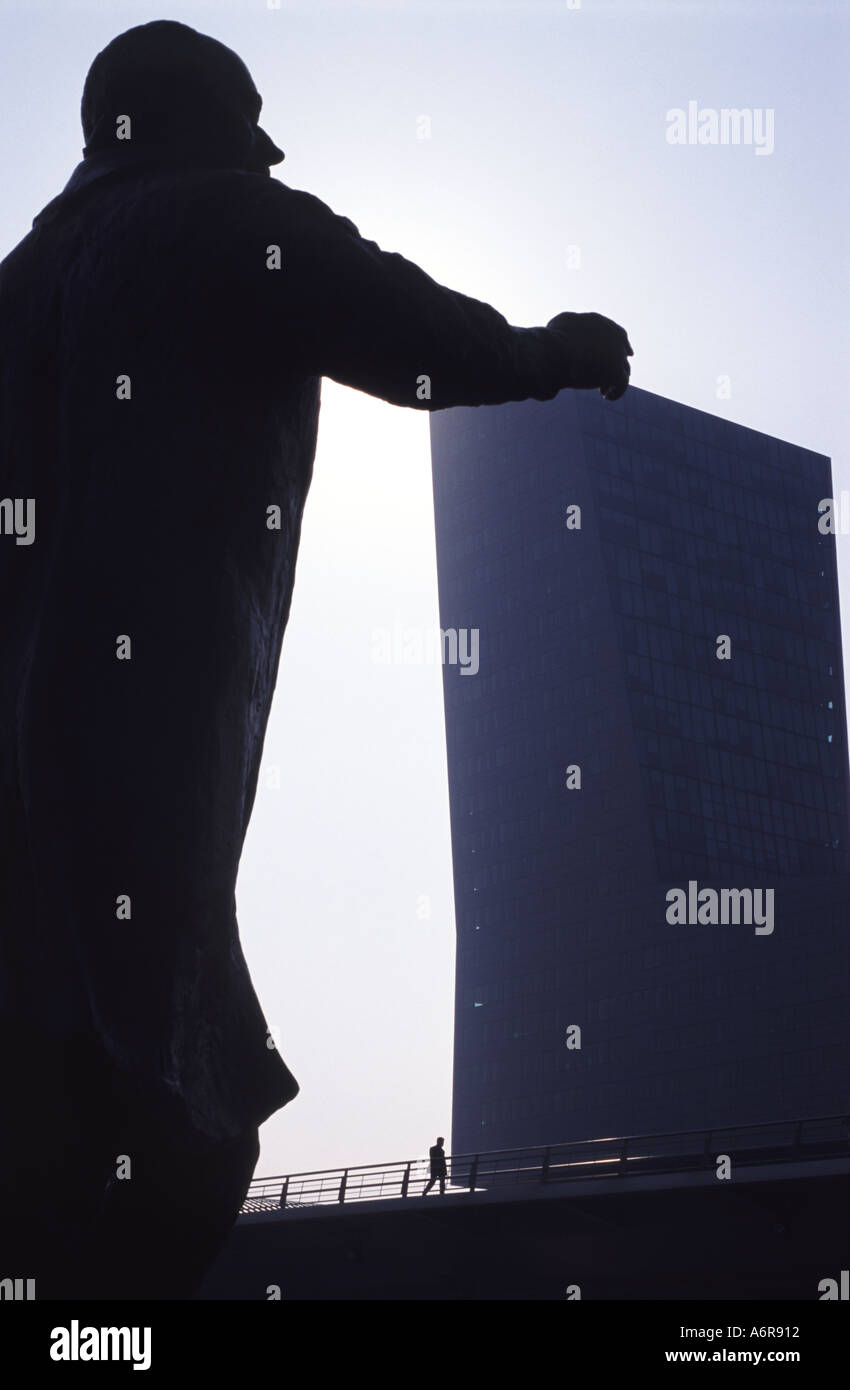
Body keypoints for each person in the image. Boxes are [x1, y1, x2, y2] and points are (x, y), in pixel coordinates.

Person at [0, 20, 632, 1298]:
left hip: (30, 728)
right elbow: (410, 332)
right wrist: (555, 351)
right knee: (153, 1074)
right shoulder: (224, 219)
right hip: (142, 710)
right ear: (185, 121)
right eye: (248, 117)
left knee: (60, 1007)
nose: (269, 144)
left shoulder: (16, 279)